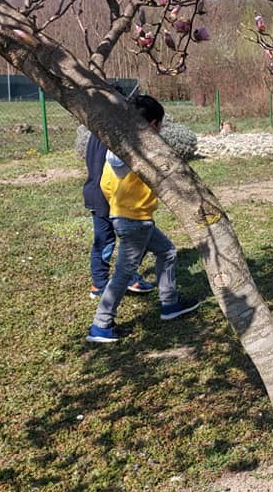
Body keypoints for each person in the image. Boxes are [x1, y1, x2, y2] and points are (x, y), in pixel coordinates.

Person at [86, 95, 201, 343]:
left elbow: (106, 185)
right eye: (158, 125)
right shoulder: (133, 154)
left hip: (129, 217)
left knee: (167, 251)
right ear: (151, 124)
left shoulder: (116, 148)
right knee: (123, 274)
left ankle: (170, 303)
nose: (159, 131)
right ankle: (101, 325)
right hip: (135, 221)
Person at [83, 129, 154, 299]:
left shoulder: (97, 130)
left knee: (104, 240)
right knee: (137, 236)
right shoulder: (115, 132)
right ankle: (118, 279)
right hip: (110, 194)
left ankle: (100, 283)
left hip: (97, 192)